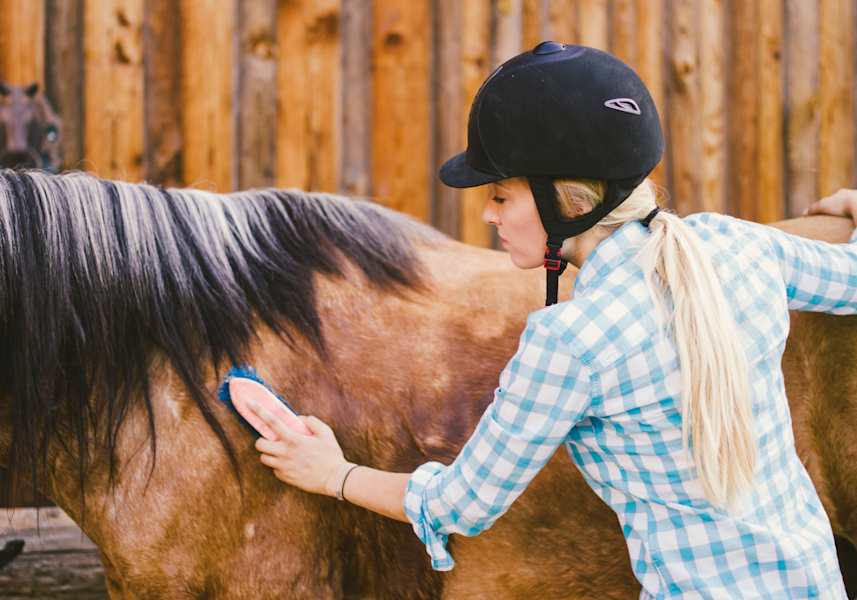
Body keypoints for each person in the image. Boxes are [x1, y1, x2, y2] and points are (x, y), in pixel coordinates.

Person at [247, 42, 854, 598]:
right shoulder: (737, 246)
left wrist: (335, 474)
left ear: (570, 201)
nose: (488, 215)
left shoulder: (572, 342)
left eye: (501, 196)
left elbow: (463, 504)